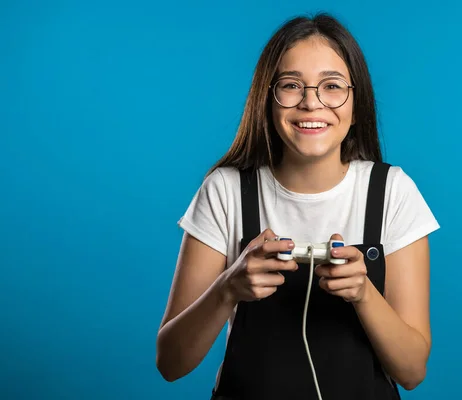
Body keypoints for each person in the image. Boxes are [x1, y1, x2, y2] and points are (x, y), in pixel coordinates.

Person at [156, 12, 440, 400]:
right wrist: (227, 288)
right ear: (268, 100)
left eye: (332, 86)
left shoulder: (392, 191)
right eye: (292, 86)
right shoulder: (225, 190)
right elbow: (171, 364)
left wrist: (363, 293)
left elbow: (411, 372)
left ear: (357, 105)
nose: (311, 103)